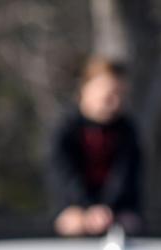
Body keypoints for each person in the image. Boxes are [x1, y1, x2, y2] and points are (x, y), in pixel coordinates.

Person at [50, 57, 143, 237]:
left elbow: (125, 176)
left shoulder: (127, 130)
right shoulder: (65, 128)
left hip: (117, 209)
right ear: (86, 88)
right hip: (73, 207)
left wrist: (108, 209)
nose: (114, 102)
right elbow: (62, 175)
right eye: (108, 95)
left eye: (120, 95)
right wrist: (86, 208)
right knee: (72, 224)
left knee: (129, 225)